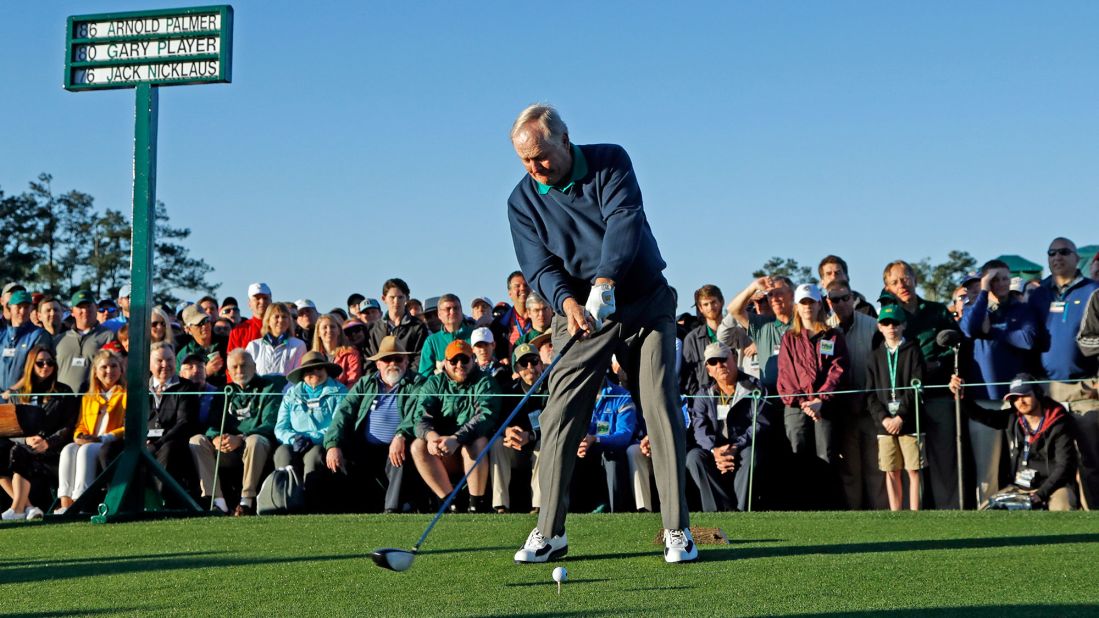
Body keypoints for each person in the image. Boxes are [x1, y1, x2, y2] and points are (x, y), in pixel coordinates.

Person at [507, 104, 694, 563]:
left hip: (643, 301)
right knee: (558, 414)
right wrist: (568, 303)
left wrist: (606, 280)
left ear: (564, 141)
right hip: (579, 314)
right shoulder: (522, 200)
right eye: (526, 162)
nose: (536, 169)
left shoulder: (611, 160)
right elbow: (539, 266)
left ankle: (677, 530)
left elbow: (624, 221)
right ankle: (550, 532)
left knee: (657, 402)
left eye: (542, 157)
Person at [881, 259, 961, 509]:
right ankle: (914, 519)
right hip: (904, 403)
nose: (901, 285)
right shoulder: (888, 318)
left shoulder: (937, 311)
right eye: (894, 282)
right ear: (887, 287)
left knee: (943, 458)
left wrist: (936, 365)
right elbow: (882, 357)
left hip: (936, 395)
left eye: (905, 278)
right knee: (910, 464)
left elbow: (957, 346)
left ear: (915, 280)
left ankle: (948, 512)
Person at [959, 259, 1038, 504]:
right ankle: (987, 521)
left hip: (1018, 401)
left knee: (1021, 466)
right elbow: (970, 329)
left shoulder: (1019, 309)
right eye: (995, 279)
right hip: (985, 402)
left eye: (1005, 278)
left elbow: (1027, 339)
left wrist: (993, 329)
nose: (1001, 283)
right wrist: (983, 291)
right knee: (987, 471)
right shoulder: (976, 308)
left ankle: (1023, 514)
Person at [1028, 238, 1099, 507]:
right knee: (1055, 460)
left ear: (1076, 257)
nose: (1057, 257)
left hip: (1084, 388)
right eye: (1052, 253)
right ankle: (1063, 515)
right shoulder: (1038, 294)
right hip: (1046, 390)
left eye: (1064, 252)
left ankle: (1094, 515)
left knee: (1090, 459)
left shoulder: (1093, 290)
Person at [325, 336, 425, 513]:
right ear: (378, 363)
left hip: (398, 445)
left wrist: (401, 435)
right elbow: (344, 412)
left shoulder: (418, 383)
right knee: (337, 456)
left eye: (398, 358)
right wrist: (333, 444)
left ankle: (392, 510)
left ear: (406, 360)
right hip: (364, 446)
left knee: (399, 458)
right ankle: (342, 510)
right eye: (387, 359)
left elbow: (417, 414)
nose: (392, 363)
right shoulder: (365, 383)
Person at [777, 283, 849, 509]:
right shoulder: (789, 337)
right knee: (798, 454)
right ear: (797, 307)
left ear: (820, 304)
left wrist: (821, 399)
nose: (807, 307)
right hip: (797, 408)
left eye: (811, 302)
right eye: (803, 303)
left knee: (827, 455)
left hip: (825, 407)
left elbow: (838, 369)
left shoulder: (833, 336)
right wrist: (804, 402)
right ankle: (803, 507)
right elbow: (786, 374)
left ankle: (827, 508)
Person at [100, 343, 198, 505]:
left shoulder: (186, 387)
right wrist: (139, 441)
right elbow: (131, 419)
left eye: (169, 360)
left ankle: (159, 503)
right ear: (150, 364)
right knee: (107, 450)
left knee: (168, 449)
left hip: (169, 442)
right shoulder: (139, 388)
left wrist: (157, 443)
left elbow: (184, 423)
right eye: (160, 360)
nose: (165, 365)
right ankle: (120, 500)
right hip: (142, 441)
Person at [962, 374, 1077, 510]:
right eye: (1015, 398)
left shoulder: (1059, 421)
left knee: (1062, 506)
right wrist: (962, 396)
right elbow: (983, 416)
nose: (1020, 402)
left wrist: (1041, 494)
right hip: (1019, 488)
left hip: (1054, 487)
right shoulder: (1013, 417)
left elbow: (1065, 466)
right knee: (987, 510)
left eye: (1025, 395)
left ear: (1038, 394)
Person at [190, 349, 282, 516]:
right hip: (227, 447)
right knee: (197, 441)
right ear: (228, 370)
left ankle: (246, 501)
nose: (239, 371)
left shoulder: (269, 387)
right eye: (235, 367)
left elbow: (270, 424)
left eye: (244, 365)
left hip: (257, 448)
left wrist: (241, 438)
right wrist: (215, 437)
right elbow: (213, 424)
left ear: (254, 366)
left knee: (255, 440)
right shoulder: (223, 391)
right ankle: (217, 502)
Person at [411, 340, 499, 513]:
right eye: (453, 361)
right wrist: (431, 437)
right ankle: (451, 503)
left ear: (473, 359)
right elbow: (420, 417)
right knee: (417, 446)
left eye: (464, 360)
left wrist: (457, 439)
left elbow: (486, 416)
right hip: (444, 450)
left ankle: (476, 503)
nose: (460, 365)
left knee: (478, 442)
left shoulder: (484, 382)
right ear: (445, 362)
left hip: (471, 447)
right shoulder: (434, 383)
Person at [825, 279, 887, 510]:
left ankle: (880, 515)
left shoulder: (872, 325)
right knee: (850, 468)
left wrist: (868, 398)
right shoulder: (824, 328)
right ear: (828, 302)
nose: (840, 303)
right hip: (840, 409)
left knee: (875, 465)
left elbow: (880, 366)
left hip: (870, 405)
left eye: (845, 298)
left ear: (853, 299)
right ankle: (854, 515)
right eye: (834, 299)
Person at [686, 342, 769, 512]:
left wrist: (736, 446)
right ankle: (720, 511)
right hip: (715, 449)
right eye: (713, 362)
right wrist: (714, 450)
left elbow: (759, 423)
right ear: (708, 370)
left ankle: (742, 511)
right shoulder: (703, 393)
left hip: (744, 445)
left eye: (723, 359)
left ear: (734, 359)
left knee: (751, 454)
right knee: (694, 457)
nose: (720, 365)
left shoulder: (754, 387)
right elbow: (699, 428)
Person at [0, 347, 78, 520]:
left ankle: (18, 508)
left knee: (18, 453)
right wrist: (25, 439)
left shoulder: (64, 392)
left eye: (50, 362)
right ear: (30, 365)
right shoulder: (18, 394)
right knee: (7, 451)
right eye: (40, 363)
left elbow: (68, 427)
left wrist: (48, 443)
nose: (45, 366)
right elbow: (9, 428)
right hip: (23, 446)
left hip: (53, 451)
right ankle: (28, 507)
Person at [865, 305, 926, 511]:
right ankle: (896, 514)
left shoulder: (914, 351)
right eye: (885, 323)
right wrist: (884, 419)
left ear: (903, 325)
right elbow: (870, 394)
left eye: (895, 323)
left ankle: (916, 513)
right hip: (884, 424)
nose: (891, 327)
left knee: (913, 469)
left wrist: (900, 416)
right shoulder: (874, 356)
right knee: (891, 470)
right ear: (879, 327)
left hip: (909, 420)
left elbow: (916, 386)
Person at [274, 351, 347, 511]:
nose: (314, 373)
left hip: (323, 442)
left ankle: (311, 505)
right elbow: (280, 427)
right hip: (294, 442)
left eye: (319, 369)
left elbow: (338, 424)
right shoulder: (291, 394)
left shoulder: (340, 392)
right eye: (309, 370)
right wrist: (293, 438)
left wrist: (311, 438)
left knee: (314, 456)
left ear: (326, 371)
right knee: (282, 453)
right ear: (302, 375)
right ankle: (283, 502)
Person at [55, 350, 126, 514]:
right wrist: (79, 437)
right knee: (69, 449)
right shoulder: (88, 397)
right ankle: (65, 502)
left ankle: (81, 500)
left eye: (114, 366)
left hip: (110, 442)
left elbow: (127, 427)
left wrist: (102, 438)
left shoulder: (125, 394)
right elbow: (81, 424)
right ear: (95, 371)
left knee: (86, 450)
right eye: (104, 367)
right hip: (89, 440)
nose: (109, 371)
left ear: (121, 369)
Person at [490, 343, 547, 514]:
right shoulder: (509, 390)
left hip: (539, 445)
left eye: (534, 361)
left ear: (541, 364)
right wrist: (507, 431)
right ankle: (500, 505)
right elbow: (497, 422)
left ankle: (538, 506)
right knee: (497, 443)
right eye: (524, 363)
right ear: (517, 368)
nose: (530, 367)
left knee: (543, 445)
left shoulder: (551, 389)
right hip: (516, 449)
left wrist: (530, 435)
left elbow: (556, 424)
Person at [721, 277, 796, 393]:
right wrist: (753, 288)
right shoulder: (763, 324)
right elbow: (733, 310)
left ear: (792, 295)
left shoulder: (803, 323)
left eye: (779, 293)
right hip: (767, 398)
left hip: (797, 396)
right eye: (770, 295)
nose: (774, 299)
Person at [682, 284, 748, 397]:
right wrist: (697, 400)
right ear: (700, 308)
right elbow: (688, 376)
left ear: (722, 302)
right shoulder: (692, 339)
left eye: (713, 302)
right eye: (706, 304)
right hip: (705, 401)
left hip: (739, 394)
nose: (710, 307)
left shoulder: (739, 332)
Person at [55, 291, 114, 393]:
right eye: (80, 307)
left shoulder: (108, 336)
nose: (85, 310)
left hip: (94, 400)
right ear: (72, 311)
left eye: (88, 306)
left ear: (96, 308)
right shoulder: (60, 339)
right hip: (63, 401)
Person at [365, 278, 429, 367]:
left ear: (407, 298)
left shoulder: (418, 327)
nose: (396, 301)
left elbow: (419, 358)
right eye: (392, 297)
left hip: (410, 379)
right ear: (384, 299)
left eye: (400, 297)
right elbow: (369, 360)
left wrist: (407, 378)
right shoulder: (374, 329)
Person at [1, 289, 51, 391]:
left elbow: (38, 370)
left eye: (26, 307)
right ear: (9, 308)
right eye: (19, 307)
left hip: (24, 397)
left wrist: (13, 390)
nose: (23, 311)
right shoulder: (2, 335)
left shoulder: (39, 335)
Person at [244, 303, 307, 377]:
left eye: (284, 317)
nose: (280, 320)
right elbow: (247, 374)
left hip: (288, 388)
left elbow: (298, 377)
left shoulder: (298, 345)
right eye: (276, 317)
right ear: (268, 321)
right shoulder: (254, 346)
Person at [418, 294, 474, 376]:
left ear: (461, 311)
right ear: (439, 315)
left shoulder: (475, 335)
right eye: (448, 309)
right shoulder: (432, 342)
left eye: (456, 308)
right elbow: (424, 376)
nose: (452, 312)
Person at [175, 305, 226, 387]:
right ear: (188, 329)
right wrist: (204, 372)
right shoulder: (183, 354)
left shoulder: (225, 343)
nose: (204, 326)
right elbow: (180, 385)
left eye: (206, 320)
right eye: (199, 323)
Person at [490, 271, 534, 362]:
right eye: (517, 286)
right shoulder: (498, 325)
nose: (522, 288)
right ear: (510, 293)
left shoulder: (543, 317)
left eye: (526, 285)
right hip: (512, 374)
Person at [313, 314, 362, 387]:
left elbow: (353, 382)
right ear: (318, 333)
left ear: (339, 331)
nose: (329, 330)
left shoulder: (351, 354)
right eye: (324, 327)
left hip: (344, 396)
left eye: (332, 327)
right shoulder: (312, 356)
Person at [228, 283, 272, 352]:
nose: (262, 301)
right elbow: (232, 360)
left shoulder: (281, 327)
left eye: (265, 298)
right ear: (249, 303)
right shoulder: (238, 331)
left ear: (271, 301)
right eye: (257, 298)